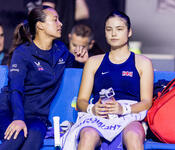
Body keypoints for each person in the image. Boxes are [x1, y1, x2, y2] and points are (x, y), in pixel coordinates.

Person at [0, 5, 88, 150]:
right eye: (55, 20)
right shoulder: (22, 53)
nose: (60, 24)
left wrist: (82, 61)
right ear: (40, 25)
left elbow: (74, 66)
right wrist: (18, 119)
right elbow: (15, 89)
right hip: (10, 111)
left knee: (34, 136)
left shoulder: (61, 50)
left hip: (37, 117)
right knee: (18, 135)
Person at [76, 10, 154, 150]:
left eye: (119, 29)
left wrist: (123, 109)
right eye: (109, 29)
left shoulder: (143, 62)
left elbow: (147, 102)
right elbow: (81, 101)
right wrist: (92, 109)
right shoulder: (93, 62)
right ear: (105, 32)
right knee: (87, 135)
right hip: (99, 117)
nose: (113, 34)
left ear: (129, 32)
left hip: (129, 115)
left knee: (133, 136)